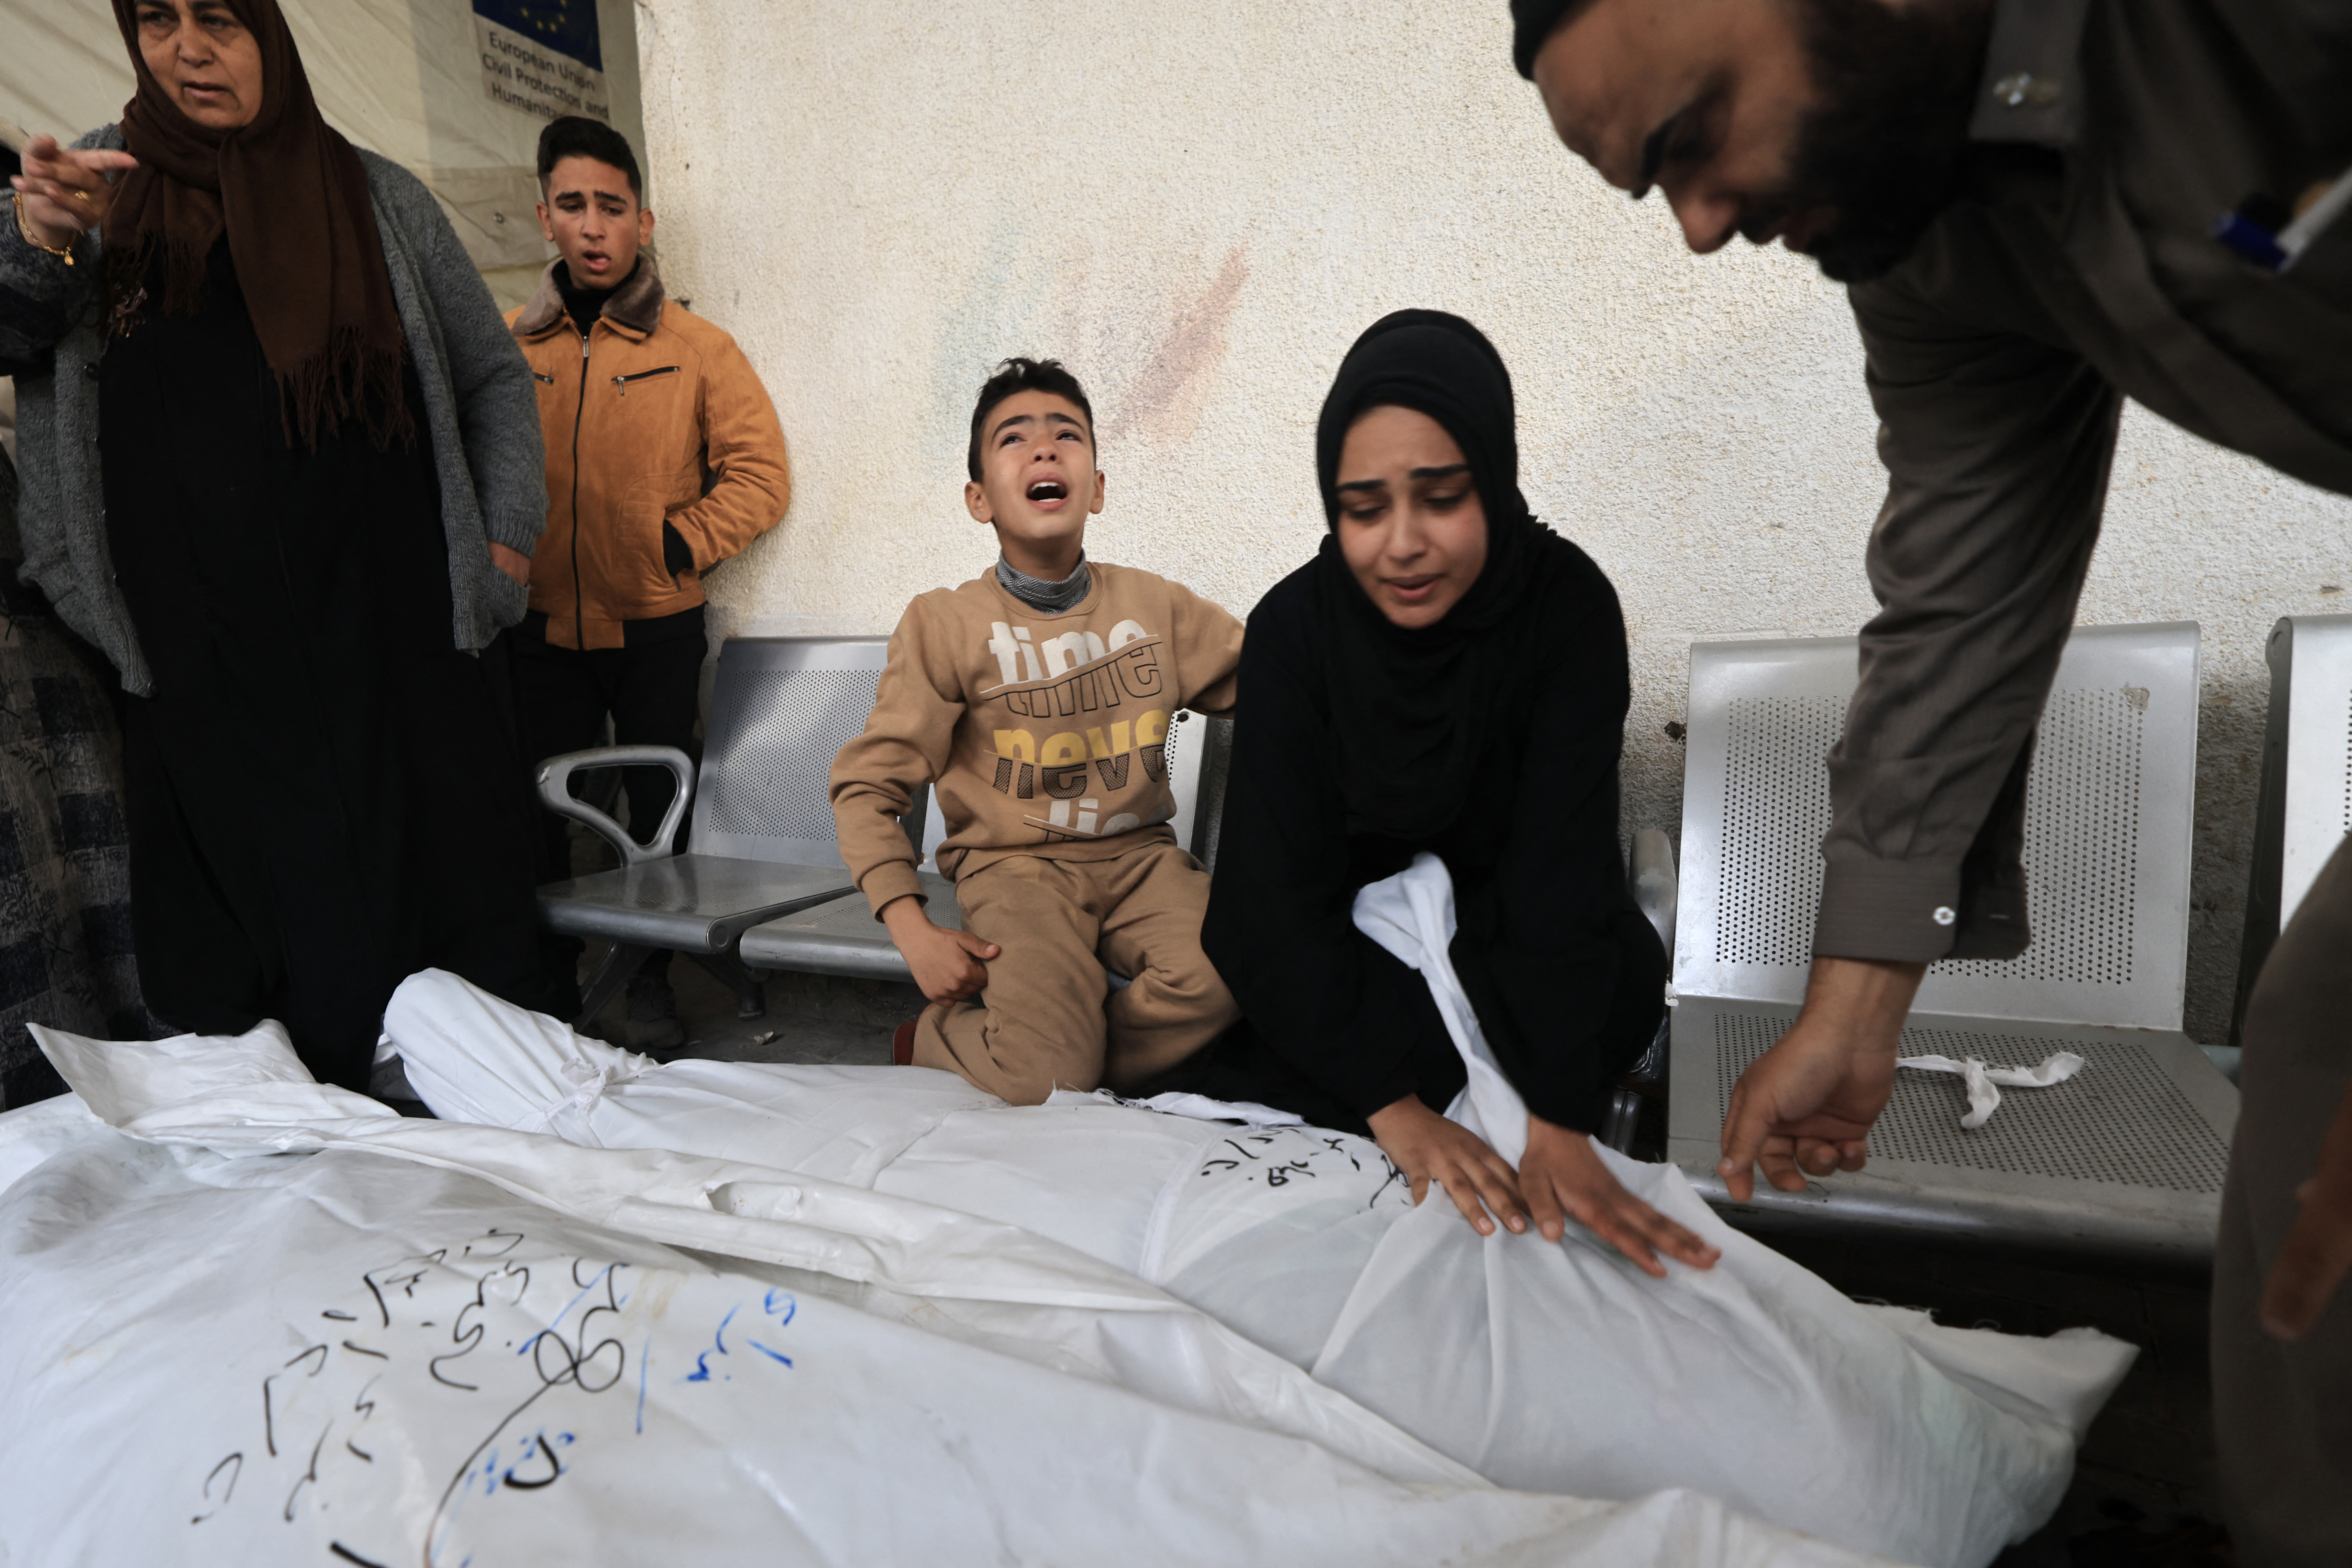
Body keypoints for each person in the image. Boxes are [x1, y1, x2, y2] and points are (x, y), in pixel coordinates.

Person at [1508, 0, 2351, 1556]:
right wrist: (1851, 1003)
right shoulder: (1924, 227)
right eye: (1652, 189)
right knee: (2313, 1061)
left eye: (1692, 137)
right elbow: (1962, 586)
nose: (1699, 227)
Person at [3, 0, 571, 1093]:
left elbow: (493, 375)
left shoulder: (376, 196)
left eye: (220, 18)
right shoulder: (91, 197)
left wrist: (502, 546)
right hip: (201, 664)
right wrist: (38, 235)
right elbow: (10, 332)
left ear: (269, 31)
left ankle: (472, 1154)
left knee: (454, 936)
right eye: (158, 19)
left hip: (397, 641)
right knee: (255, 962)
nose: (189, 48)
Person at [1199, 311, 1713, 1278]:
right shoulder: (1295, 632)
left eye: (1440, 498)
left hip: (1517, 940)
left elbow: (1559, 872)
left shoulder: (1565, 609)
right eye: (1363, 508)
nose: (1402, 544)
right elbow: (1268, 901)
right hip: (1355, 960)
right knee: (1300, 1044)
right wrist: (1394, 1109)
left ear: (1494, 473)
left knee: (1611, 980)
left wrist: (1556, 1117)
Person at [828, 356, 1244, 1104]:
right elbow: (866, 788)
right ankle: (939, 1038)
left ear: (1098, 487)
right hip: (1013, 871)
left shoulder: (1157, 607)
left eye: (1067, 435)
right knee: (1044, 1075)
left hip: (1141, 861)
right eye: (1014, 438)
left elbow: (1276, 683)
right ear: (979, 498)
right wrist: (911, 930)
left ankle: (1064, 1057)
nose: (1045, 449)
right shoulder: (944, 623)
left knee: (1232, 969)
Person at [505, 115, 790, 1051]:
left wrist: (674, 544)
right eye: (573, 205)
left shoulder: (698, 347)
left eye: (613, 207)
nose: (594, 227)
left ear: (644, 221)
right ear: (544, 217)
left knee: (657, 809)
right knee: (533, 810)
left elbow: (760, 476)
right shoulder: (509, 348)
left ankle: (653, 982)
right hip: (538, 627)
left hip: (655, 623)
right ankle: (546, 987)